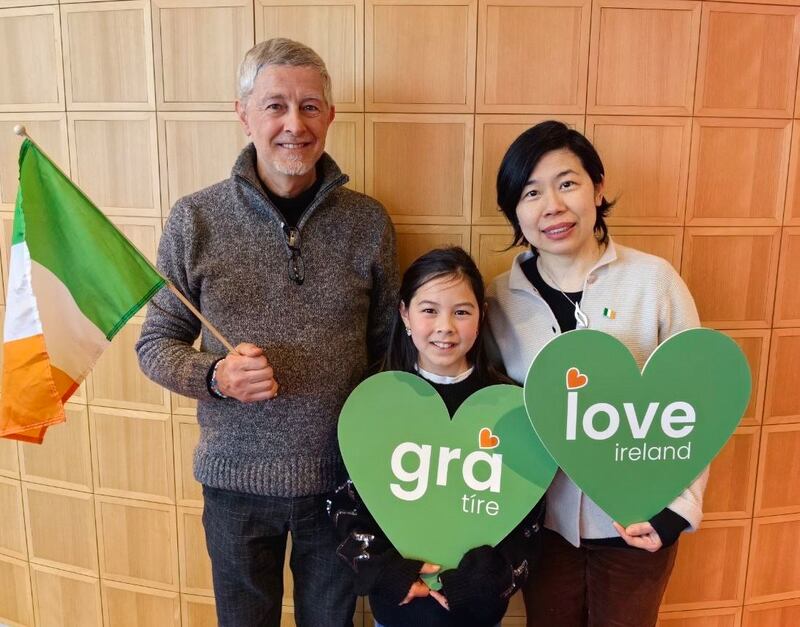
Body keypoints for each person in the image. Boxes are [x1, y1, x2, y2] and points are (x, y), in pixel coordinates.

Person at [135, 38, 398, 627]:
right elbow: (154, 344)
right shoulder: (195, 219)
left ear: (330, 116)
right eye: (275, 105)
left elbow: (388, 353)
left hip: (342, 485)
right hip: (234, 486)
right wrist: (216, 376)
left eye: (310, 106)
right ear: (243, 114)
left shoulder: (368, 223)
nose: (294, 125)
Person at [486, 120, 708, 626]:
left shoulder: (653, 281)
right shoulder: (498, 299)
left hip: (638, 519)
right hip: (543, 527)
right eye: (531, 193)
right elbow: (490, 410)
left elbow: (696, 400)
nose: (552, 206)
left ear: (598, 188)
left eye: (567, 183)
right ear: (515, 210)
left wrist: (677, 509)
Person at [328, 247, 544, 627]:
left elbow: (529, 515)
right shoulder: (374, 401)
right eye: (429, 310)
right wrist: (387, 571)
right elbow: (344, 500)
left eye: (461, 312)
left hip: (476, 614)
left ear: (481, 316)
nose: (445, 326)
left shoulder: (510, 407)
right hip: (397, 610)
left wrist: (486, 579)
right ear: (404, 315)